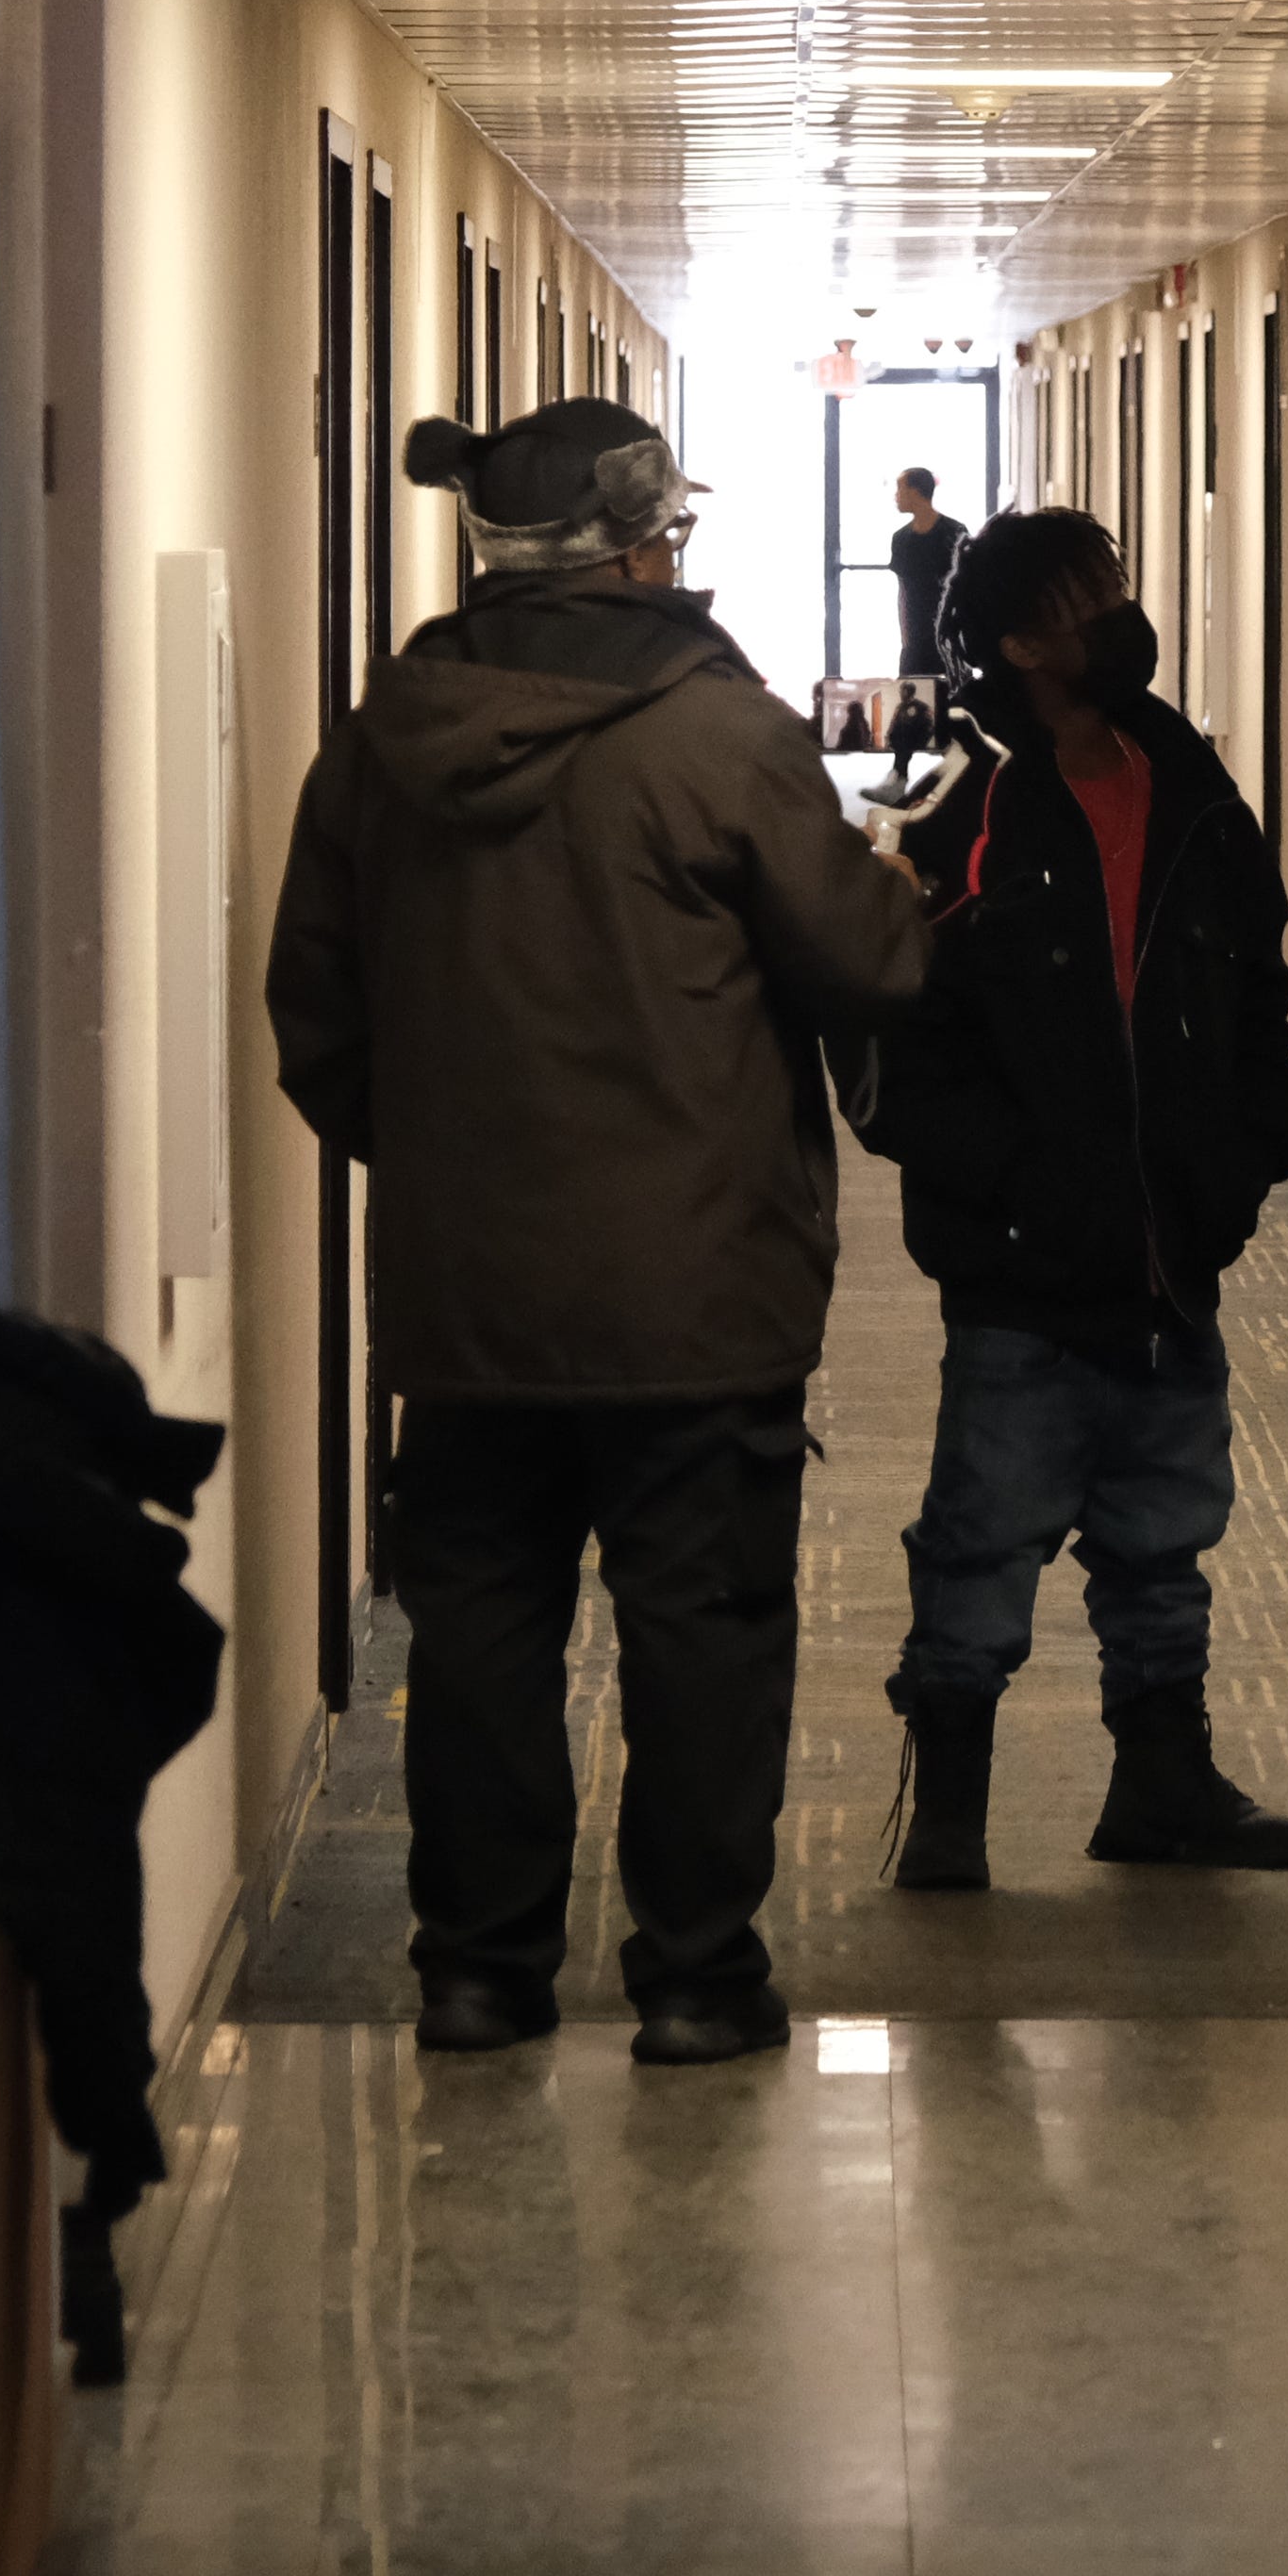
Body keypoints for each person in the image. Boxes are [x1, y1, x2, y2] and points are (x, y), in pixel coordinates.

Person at [266, 397, 931, 2069]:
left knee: (479, 1631)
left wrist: (438, 1163)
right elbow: (872, 966)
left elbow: (316, 1019)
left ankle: (480, 1974)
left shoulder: (382, 742)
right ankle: (698, 1978)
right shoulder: (722, 739)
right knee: (700, 1631)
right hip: (697, 1293)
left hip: (465, 1296)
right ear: (646, 546)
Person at [849, 506, 1288, 1891]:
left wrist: (1249, 1149)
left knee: (1165, 1532)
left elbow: (1257, 981)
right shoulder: (958, 805)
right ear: (1016, 641)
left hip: (1172, 1251)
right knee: (982, 1538)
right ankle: (948, 1816)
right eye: (1082, 599)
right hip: (1020, 1268)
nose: (1116, 612)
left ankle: (1162, 1783)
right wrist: (1003, 1183)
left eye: (1116, 585)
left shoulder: (1187, 780)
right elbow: (885, 1038)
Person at [885, 464, 959, 680]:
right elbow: (904, 592)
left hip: (949, 634)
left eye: (900, 490)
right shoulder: (901, 539)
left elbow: (966, 587)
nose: (896, 496)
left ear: (915, 492)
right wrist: (906, 638)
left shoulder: (953, 533)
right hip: (916, 637)